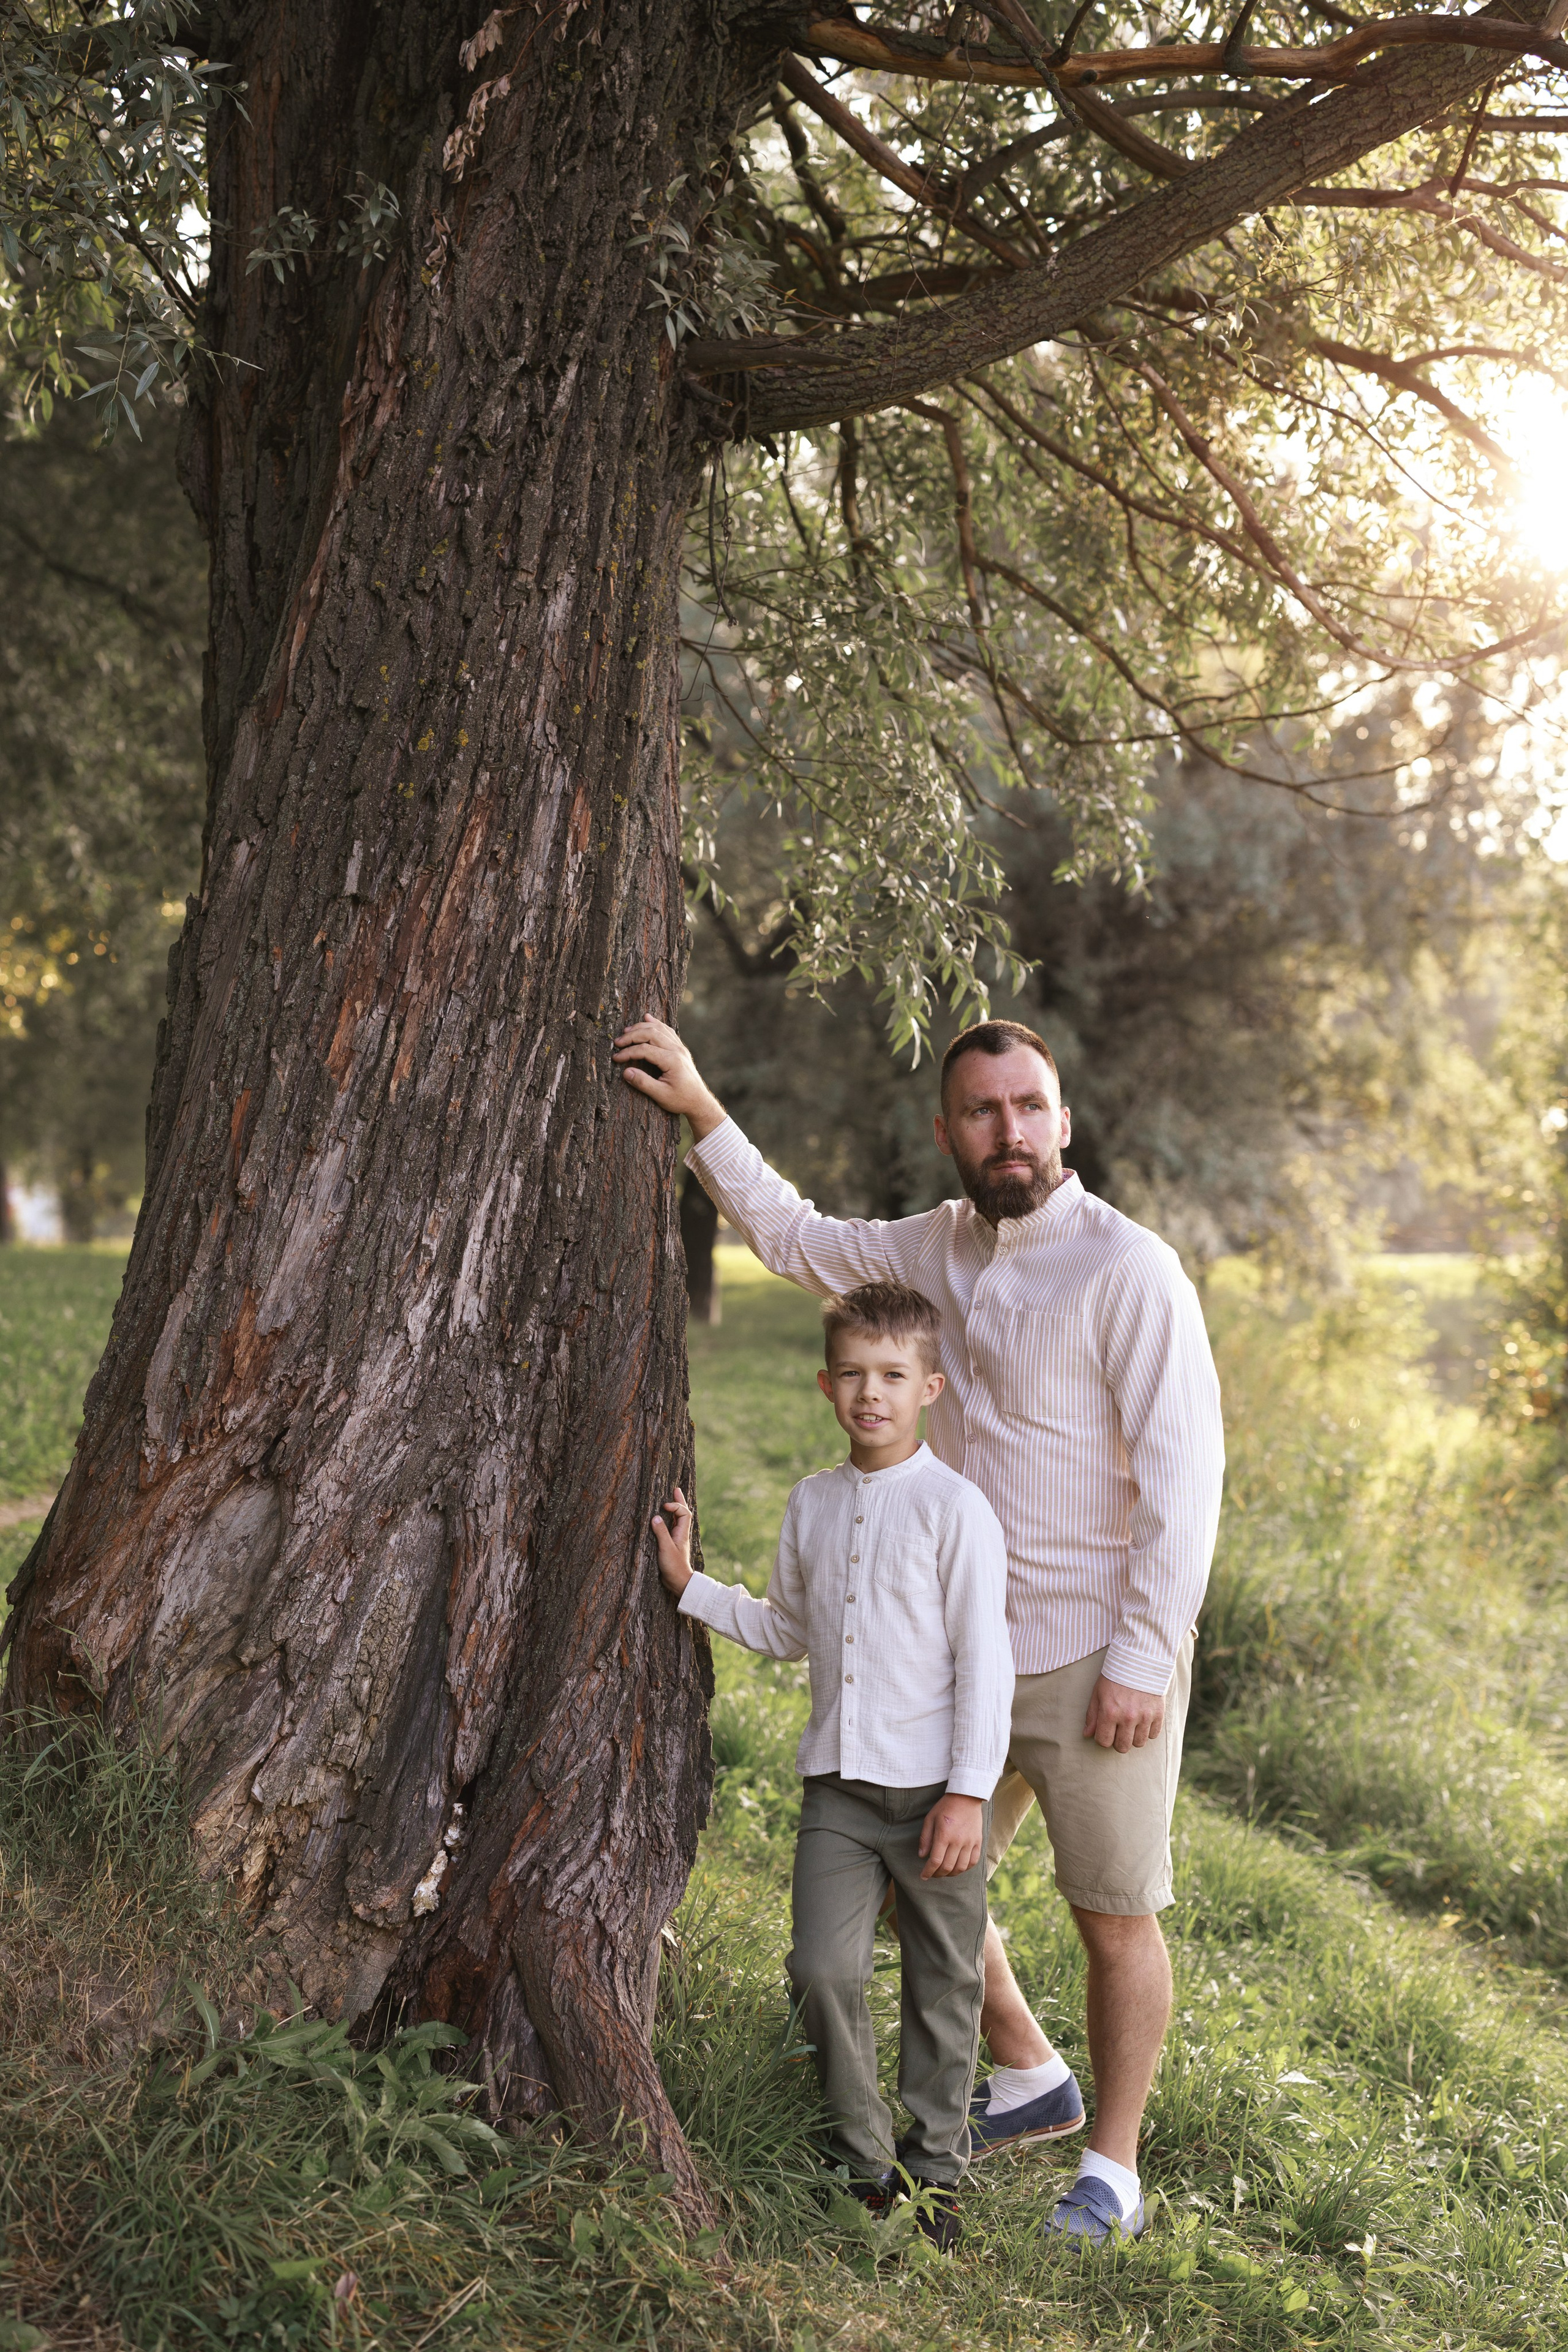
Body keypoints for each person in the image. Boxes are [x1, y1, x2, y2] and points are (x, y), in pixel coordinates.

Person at [616, 1014, 1224, 2246]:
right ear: (947, 1131)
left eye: (1028, 1106)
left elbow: (1182, 1477)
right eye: (982, 1112)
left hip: (1095, 1652)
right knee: (912, 1877)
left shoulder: (1128, 1269)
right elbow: (793, 1237)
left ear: (1061, 1120)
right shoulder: (932, 1248)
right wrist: (697, 1109)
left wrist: (1143, 1657)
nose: (1009, 1130)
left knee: (1112, 1911)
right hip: (954, 1661)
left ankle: (1109, 2165)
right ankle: (1025, 2073)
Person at [650, 1280, 1012, 2252]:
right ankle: (863, 2164)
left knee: (942, 1982)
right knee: (821, 1967)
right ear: (824, 1383)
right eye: (852, 1374)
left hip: (939, 1792)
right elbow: (787, 1629)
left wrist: (970, 1793)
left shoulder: (955, 1509)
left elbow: (987, 1660)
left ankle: (934, 2173)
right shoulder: (812, 1503)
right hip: (840, 1795)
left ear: (930, 1386)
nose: (871, 1394)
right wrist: (691, 1589)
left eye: (893, 1375)